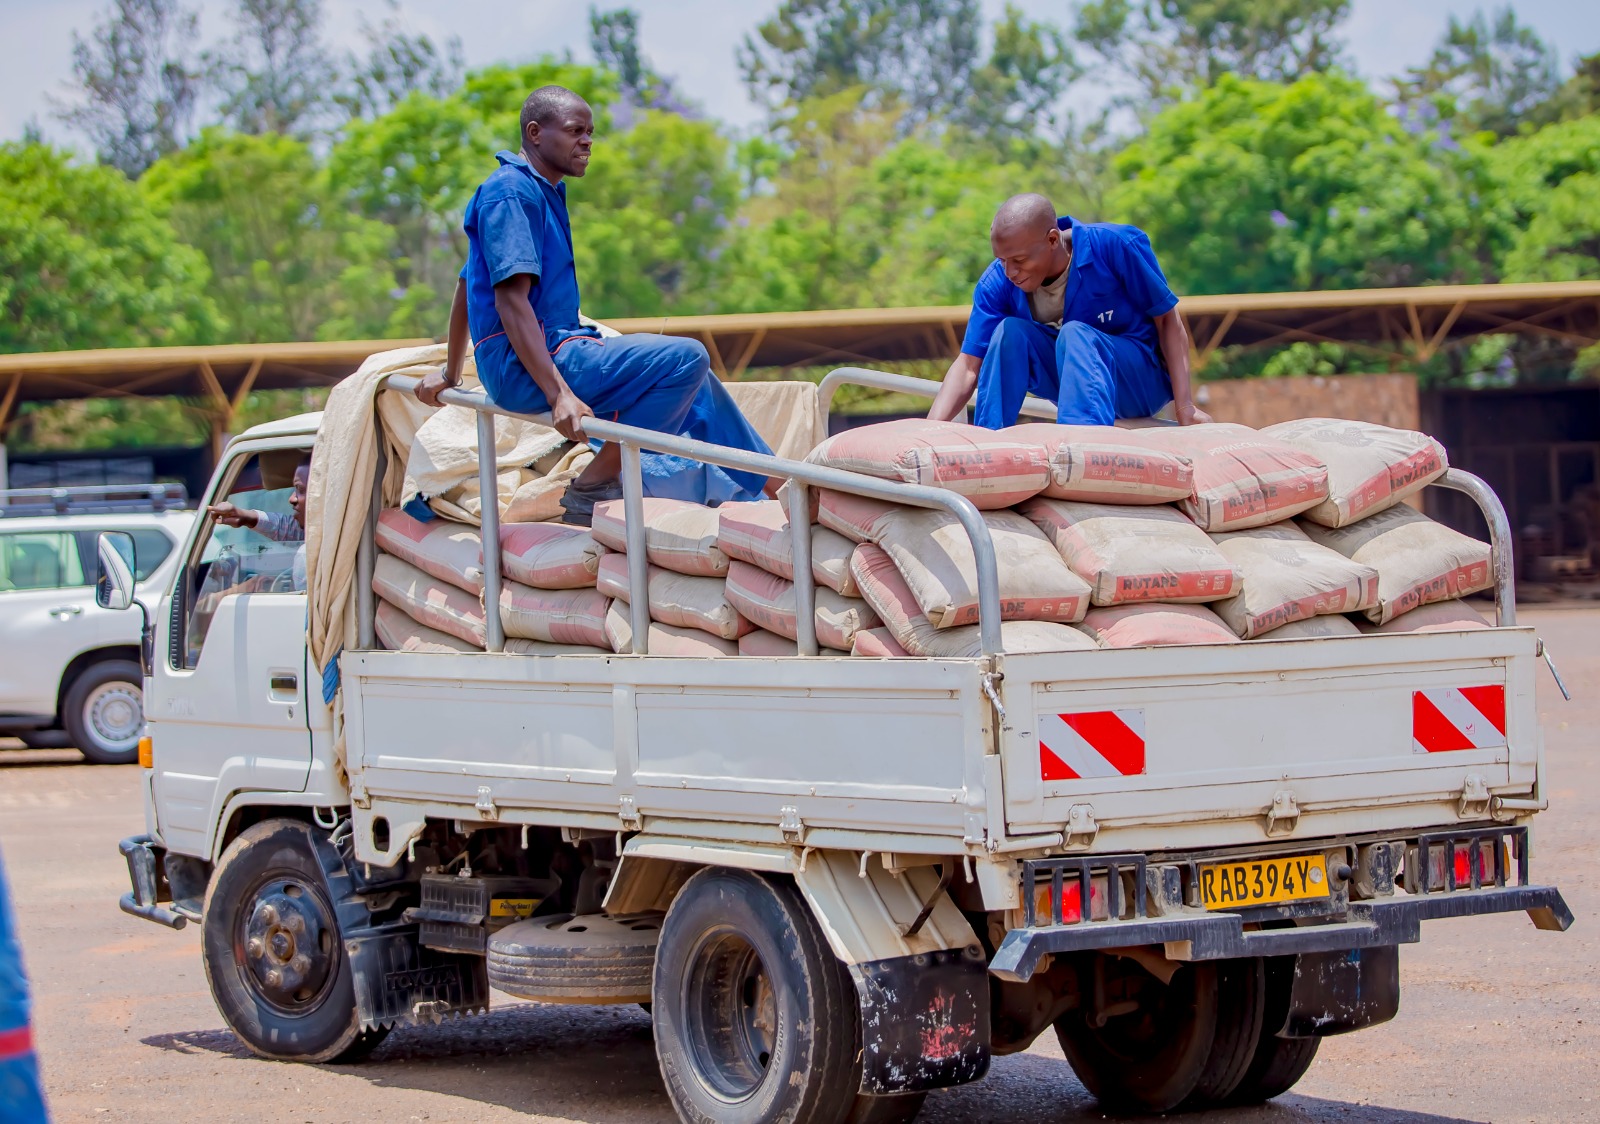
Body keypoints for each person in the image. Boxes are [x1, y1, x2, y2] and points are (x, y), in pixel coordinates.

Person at [416, 85, 774, 525]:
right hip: (530, 362)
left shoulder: (539, 190)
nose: (587, 141)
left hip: (556, 348)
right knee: (686, 357)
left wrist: (451, 373)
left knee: (698, 384)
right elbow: (511, 303)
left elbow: (466, 282)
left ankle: (777, 484)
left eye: (591, 132)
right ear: (535, 133)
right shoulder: (511, 192)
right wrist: (559, 395)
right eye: (575, 131)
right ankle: (594, 482)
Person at [927, 193, 1211, 430]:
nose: (1010, 271)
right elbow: (967, 366)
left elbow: (1168, 321)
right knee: (1008, 333)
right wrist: (928, 431)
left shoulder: (1115, 245)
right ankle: (988, 442)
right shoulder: (997, 282)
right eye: (1002, 260)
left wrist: (1184, 406)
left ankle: (1081, 446)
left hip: (1137, 383)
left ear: (1052, 240)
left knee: (1076, 334)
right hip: (1073, 387)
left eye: (1019, 260)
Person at [207, 460, 309, 592]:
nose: (292, 498)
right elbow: (299, 531)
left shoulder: (306, 555)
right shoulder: (328, 537)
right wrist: (246, 516)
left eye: (300, 489)